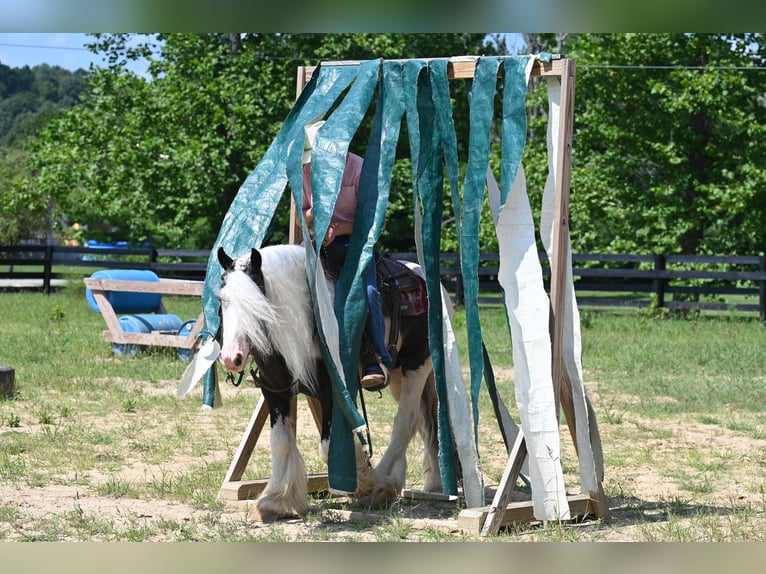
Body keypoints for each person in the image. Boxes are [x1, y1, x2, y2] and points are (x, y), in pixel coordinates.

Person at [301, 122, 393, 390]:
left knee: (370, 292)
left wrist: (338, 227)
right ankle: (288, 357)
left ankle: (376, 356)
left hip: (356, 242)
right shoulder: (307, 171)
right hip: (320, 243)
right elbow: (304, 211)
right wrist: (318, 219)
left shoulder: (359, 168)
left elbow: (378, 221)